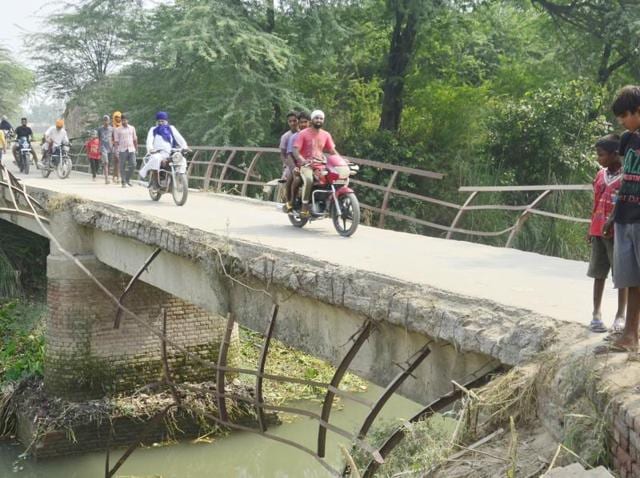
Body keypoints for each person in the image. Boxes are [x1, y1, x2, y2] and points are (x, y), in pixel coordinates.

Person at [598, 85, 640, 353]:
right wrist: (613, 216)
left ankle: (631, 335)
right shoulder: (627, 139)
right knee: (630, 278)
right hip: (625, 214)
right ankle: (629, 335)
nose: (623, 121)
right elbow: (625, 180)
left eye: (626, 115)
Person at [587, 134, 627, 333]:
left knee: (621, 275)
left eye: (601, 155)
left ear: (614, 154)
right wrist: (590, 228)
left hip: (616, 233)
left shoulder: (627, 176)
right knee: (598, 272)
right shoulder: (600, 174)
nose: (598, 158)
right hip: (598, 230)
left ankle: (620, 315)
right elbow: (595, 202)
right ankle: (596, 313)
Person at [292, 109, 339, 216]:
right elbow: (295, 150)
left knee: (334, 178)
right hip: (306, 165)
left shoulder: (326, 135)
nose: (319, 120)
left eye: (321, 118)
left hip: (321, 165)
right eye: (316, 118)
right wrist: (302, 161)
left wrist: (340, 160)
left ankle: (327, 203)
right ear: (312, 120)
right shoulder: (303, 133)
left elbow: (332, 151)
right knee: (309, 180)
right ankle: (304, 207)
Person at [139, 111, 188, 188]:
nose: (161, 123)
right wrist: (151, 149)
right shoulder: (153, 129)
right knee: (156, 159)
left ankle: (180, 178)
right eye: (159, 121)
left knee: (182, 159)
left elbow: (179, 138)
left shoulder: (171, 128)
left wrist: (185, 147)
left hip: (170, 153)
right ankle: (155, 182)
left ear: (166, 121)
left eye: (163, 121)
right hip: (158, 153)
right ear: (157, 122)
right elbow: (149, 141)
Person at [283, 111, 310, 212]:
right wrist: (294, 167)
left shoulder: (315, 135)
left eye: (305, 122)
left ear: (310, 122)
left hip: (313, 165)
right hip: (299, 165)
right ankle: (292, 202)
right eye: (301, 122)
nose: (303, 125)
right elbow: (289, 154)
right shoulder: (294, 137)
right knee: (297, 179)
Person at [113, 113, 137, 187]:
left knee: (133, 164)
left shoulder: (132, 128)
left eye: (125, 120)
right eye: (123, 120)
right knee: (122, 166)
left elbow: (135, 139)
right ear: (121, 121)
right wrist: (116, 151)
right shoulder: (117, 130)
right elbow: (116, 141)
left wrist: (136, 149)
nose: (124, 122)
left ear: (128, 120)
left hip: (131, 149)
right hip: (122, 150)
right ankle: (123, 182)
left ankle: (127, 179)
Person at [279, 111, 298, 175]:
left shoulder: (303, 134)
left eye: (294, 121)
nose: (292, 123)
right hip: (290, 165)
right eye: (290, 121)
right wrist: (287, 164)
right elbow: (282, 154)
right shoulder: (285, 137)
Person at [97, 114, 114, 184]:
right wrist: (99, 147)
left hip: (110, 147)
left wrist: (113, 145)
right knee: (106, 162)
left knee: (109, 163)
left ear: (109, 121)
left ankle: (107, 175)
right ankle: (106, 179)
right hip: (103, 147)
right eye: (104, 120)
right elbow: (99, 138)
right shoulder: (100, 129)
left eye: (107, 120)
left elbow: (114, 137)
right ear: (103, 121)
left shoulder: (112, 129)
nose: (106, 122)